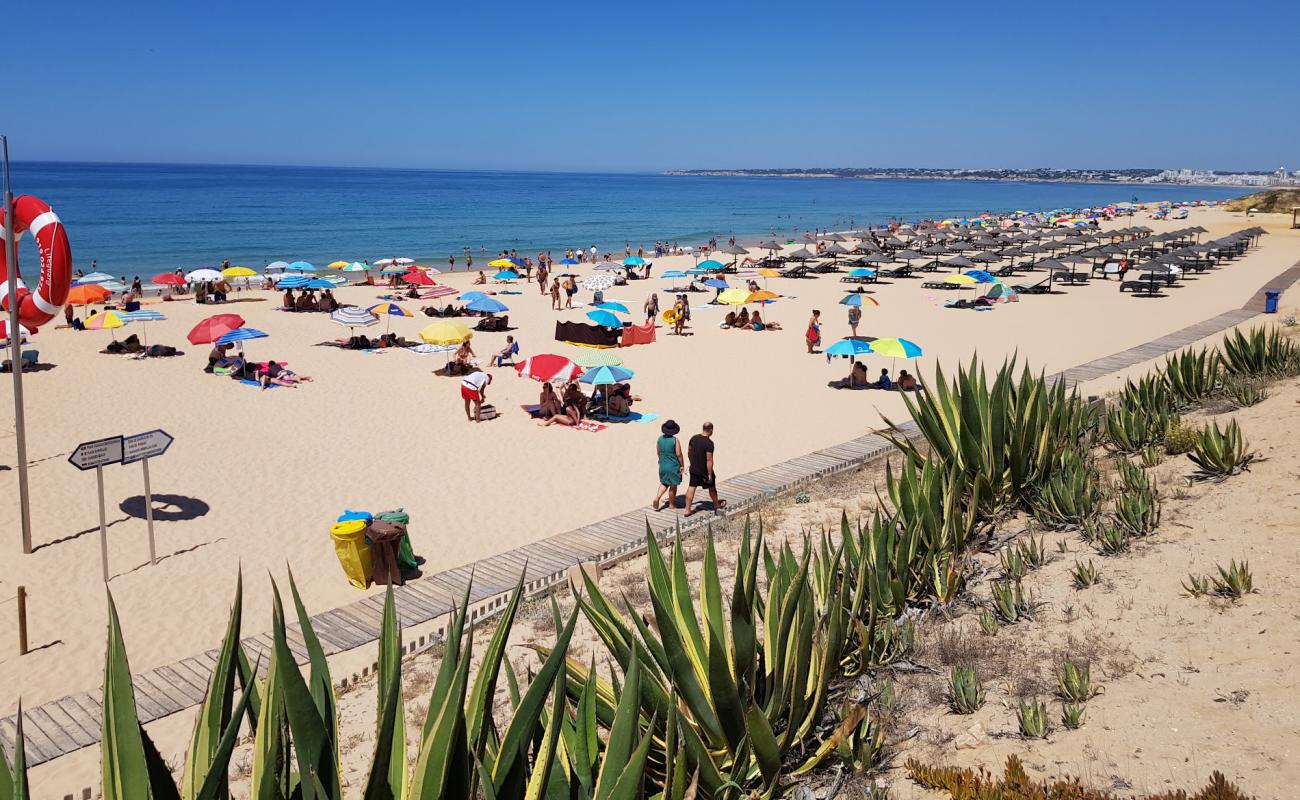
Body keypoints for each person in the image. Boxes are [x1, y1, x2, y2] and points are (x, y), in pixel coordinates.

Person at [684, 422, 724, 517]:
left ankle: (687, 510)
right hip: (704, 470)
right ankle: (716, 504)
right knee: (712, 488)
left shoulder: (693, 438)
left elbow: (689, 451)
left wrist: (691, 461)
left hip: (694, 468)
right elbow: (709, 460)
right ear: (710, 430)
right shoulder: (709, 443)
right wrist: (710, 474)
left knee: (691, 487)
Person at [653, 420, 684, 512]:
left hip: (663, 465)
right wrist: (682, 465)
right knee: (673, 485)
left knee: (664, 483)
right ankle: (671, 504)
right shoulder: (675, 440)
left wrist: (661, 460)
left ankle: (657, 497)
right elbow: (679, 454)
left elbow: (658, 452)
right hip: (673, 466)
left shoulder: (659, 439)